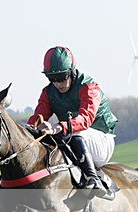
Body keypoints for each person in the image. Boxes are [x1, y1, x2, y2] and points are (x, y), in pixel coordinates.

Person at [27, 46, 118, 196]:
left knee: (75, 134)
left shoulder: (89, 87)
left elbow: (85, 119)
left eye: (61, 77)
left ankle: (93, 178)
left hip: (101, 140)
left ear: (71, 71)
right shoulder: (48, 92)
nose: (57, 83)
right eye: (51, 78)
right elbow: (37, 117)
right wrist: (27, 130)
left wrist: (58, 127)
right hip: (73, 140)